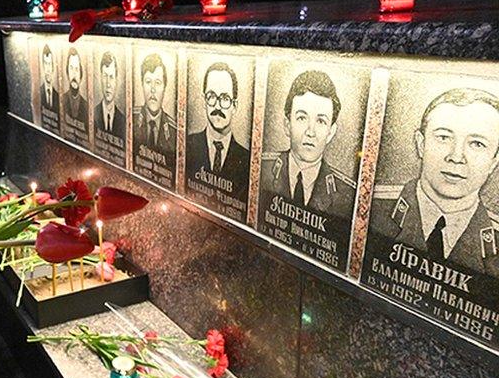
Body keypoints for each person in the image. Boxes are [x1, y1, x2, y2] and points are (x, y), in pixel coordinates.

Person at [371, 88, 499, 272]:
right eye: (443, 137)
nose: (456, 157)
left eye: (477, 144)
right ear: (421, 144)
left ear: (494, 161)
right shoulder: (371, 206)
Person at [261, 70, 356, 215]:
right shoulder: (262, 170)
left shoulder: (346, 196)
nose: (310, 132)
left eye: (321, 121)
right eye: (302, 118)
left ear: (330, 132)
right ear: (287, 125)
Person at [186, 62, 250, 198]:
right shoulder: (187, 145)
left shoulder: (247, 160)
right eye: (212, 96)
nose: (218, 107)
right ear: (204, 101)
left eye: (225, 98)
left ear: (234, 106)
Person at [132, 53, 174, 164]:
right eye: (148, 82)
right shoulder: (130, 119)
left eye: (158, 83)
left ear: (165, 86)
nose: (153, 90)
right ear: (142, 84)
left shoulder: (174, 130)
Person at [93, 50, 125, 135]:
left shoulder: (123, 120)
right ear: (100, 78)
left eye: (111, 77)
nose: (108, 84)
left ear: (116, 80)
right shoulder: (93, 113)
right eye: (105, 76)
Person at [39, 43, 58, 112]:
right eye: (45, 64)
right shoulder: (39, 92)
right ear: (42, 66)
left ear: (53, 67)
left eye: (49, 64)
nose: (48, 69)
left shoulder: (58, 96)